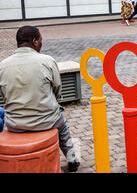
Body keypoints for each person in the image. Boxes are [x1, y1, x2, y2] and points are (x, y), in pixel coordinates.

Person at [0, 26, 80, 172]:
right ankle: (72, 160)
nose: (42, 43)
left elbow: (3, 95)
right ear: (35, 41)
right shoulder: (47, 61)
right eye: (41, 39)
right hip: (47, 121)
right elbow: (57, 89)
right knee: (62, 126)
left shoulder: (2, 66)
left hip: (14, 124)